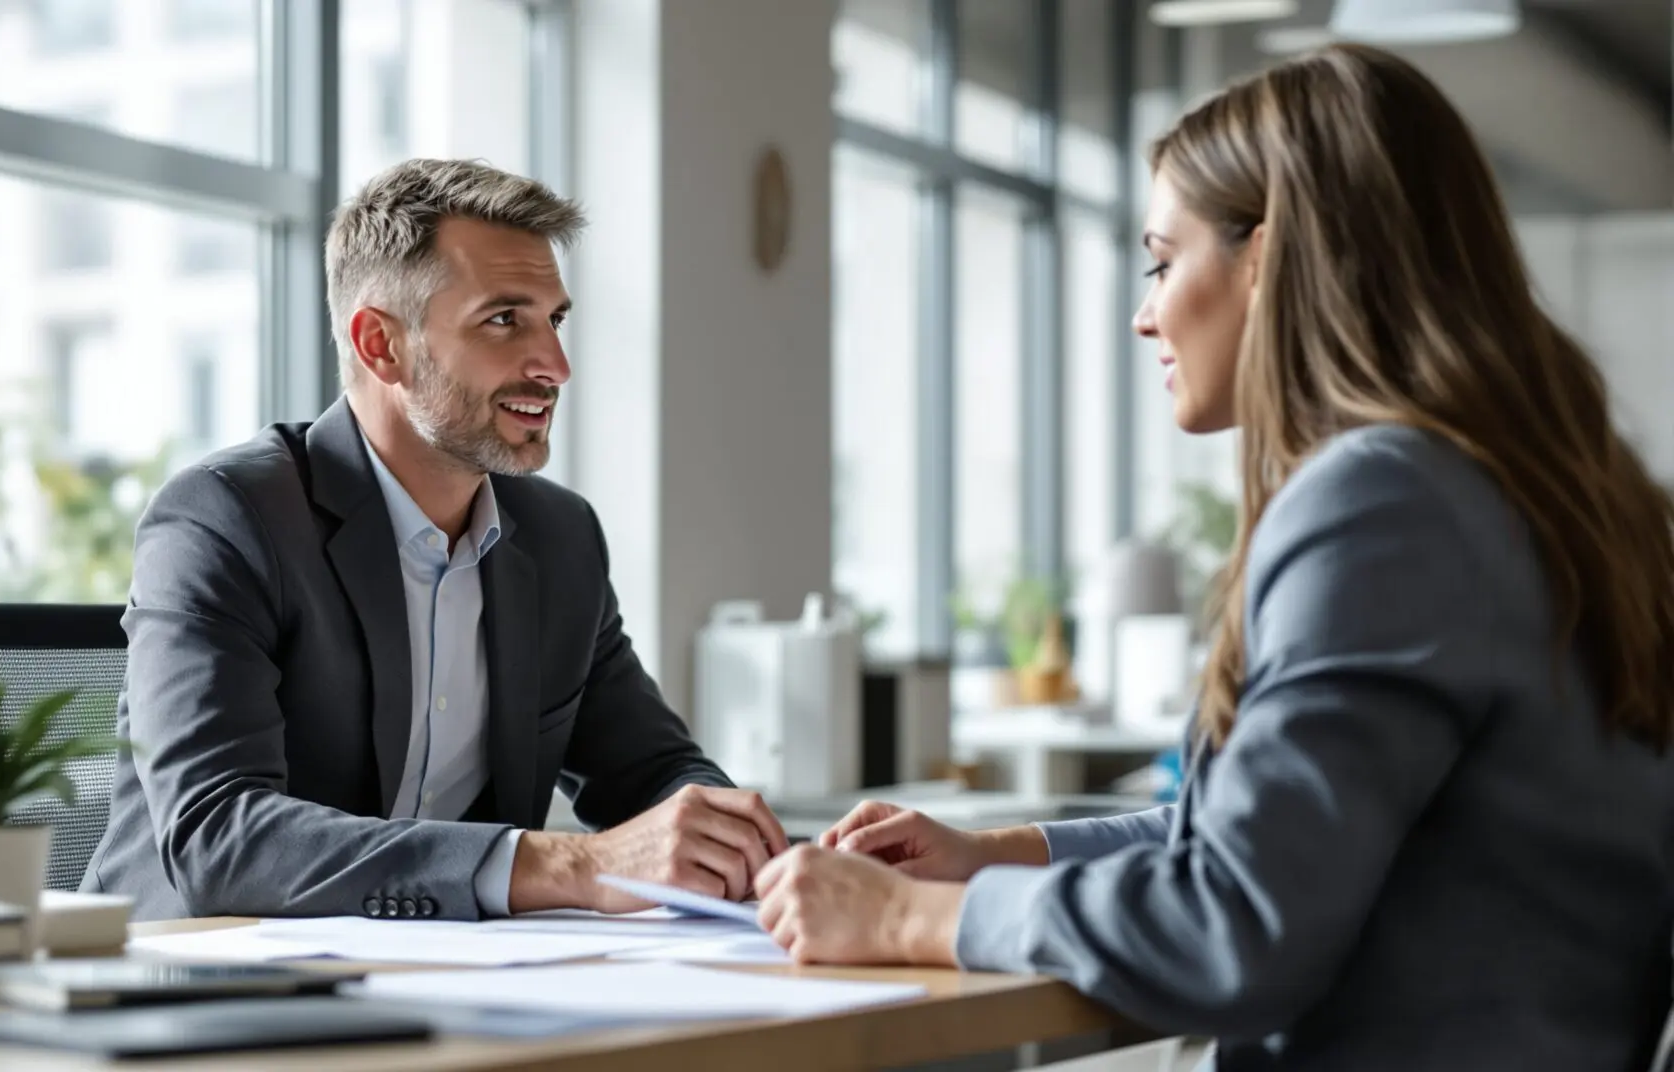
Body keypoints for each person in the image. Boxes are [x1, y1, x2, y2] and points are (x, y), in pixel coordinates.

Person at [754, 43, 1674, 1070]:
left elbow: (1235, 926)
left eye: (1161, 259)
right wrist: (996, 856)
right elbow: (1273, 846)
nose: (1145, 313)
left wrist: (910, 923)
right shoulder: (1561, 493)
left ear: (1269, 259)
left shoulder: (1382, 501)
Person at [84, 159, 785, 922]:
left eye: (554, 320)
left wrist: (754, 851)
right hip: (191, 988)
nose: (554, 365)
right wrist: (571, 863)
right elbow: (218, 838)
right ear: (381, 345)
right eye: (503, 320)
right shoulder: (227, 519)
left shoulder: (560, 539)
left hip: (444, 987)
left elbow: (649, 769)